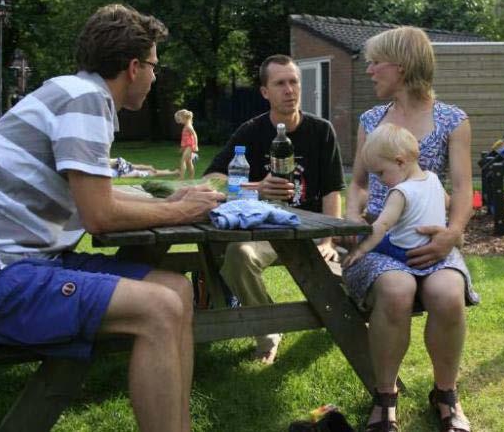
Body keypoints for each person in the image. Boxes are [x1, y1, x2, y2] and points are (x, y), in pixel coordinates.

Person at [0, 4, 224, 432]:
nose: (156, 76)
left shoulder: (74, 93)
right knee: (158, 308)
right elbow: (99, 216)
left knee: (176, 289)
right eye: (154, 66)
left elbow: (97, 201)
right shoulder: (86, 100)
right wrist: (180, 209)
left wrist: (175, 200)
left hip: (23, 260)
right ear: (134, 67)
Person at [343, 26, 476, 432]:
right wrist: (351, 216)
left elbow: (464, 188)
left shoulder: (452, 120)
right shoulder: (372, 119)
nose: (369, 71)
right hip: (381, 243)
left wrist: (451, 235)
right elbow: (360, 183)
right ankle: (385, 397)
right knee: (397, 290)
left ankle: (446, 395)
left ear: (400, 68)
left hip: (432, 240)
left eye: (375, 62)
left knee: (447, 294)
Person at [204, 54, 345, 364]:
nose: (289, 89)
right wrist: (256, 188)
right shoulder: (251, 131)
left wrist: (328, 240)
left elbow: (334, 189)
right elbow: (212, 179)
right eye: (280, 83)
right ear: (265, 92)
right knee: (238, 256)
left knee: (355, 263)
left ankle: (349, 322)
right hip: (264, 227)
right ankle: (269, 332)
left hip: (310, 229)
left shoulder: (321, 131)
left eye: (294, 81)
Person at [342, 123, 448, 267]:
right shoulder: (433, 179)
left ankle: (342, 244)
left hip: (404, 252)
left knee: (366, 236)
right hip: (430, 249)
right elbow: (450, 204)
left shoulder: (400, 192)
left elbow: (382, 225)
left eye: (381, 173)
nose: (380, 180)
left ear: (400, 162)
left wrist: (360, 250)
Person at [174, 109, 199, 180]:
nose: (179, 120)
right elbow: (185, 139)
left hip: (190, 146)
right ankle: (191, 178)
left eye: (180, 118)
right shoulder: (186, 126)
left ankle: (181, 177)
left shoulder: (188, 126)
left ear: (185, 118)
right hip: (186, 146)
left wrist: (196, 145)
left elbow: (194, 135)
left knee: (183, 160)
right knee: (189, 162)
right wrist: (182, 148)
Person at [110, 156, 178, 178]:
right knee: (134, 167)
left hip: (118, 166)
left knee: (139, 172)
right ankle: (169, 172)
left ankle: (172, 173)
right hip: (118, 164)